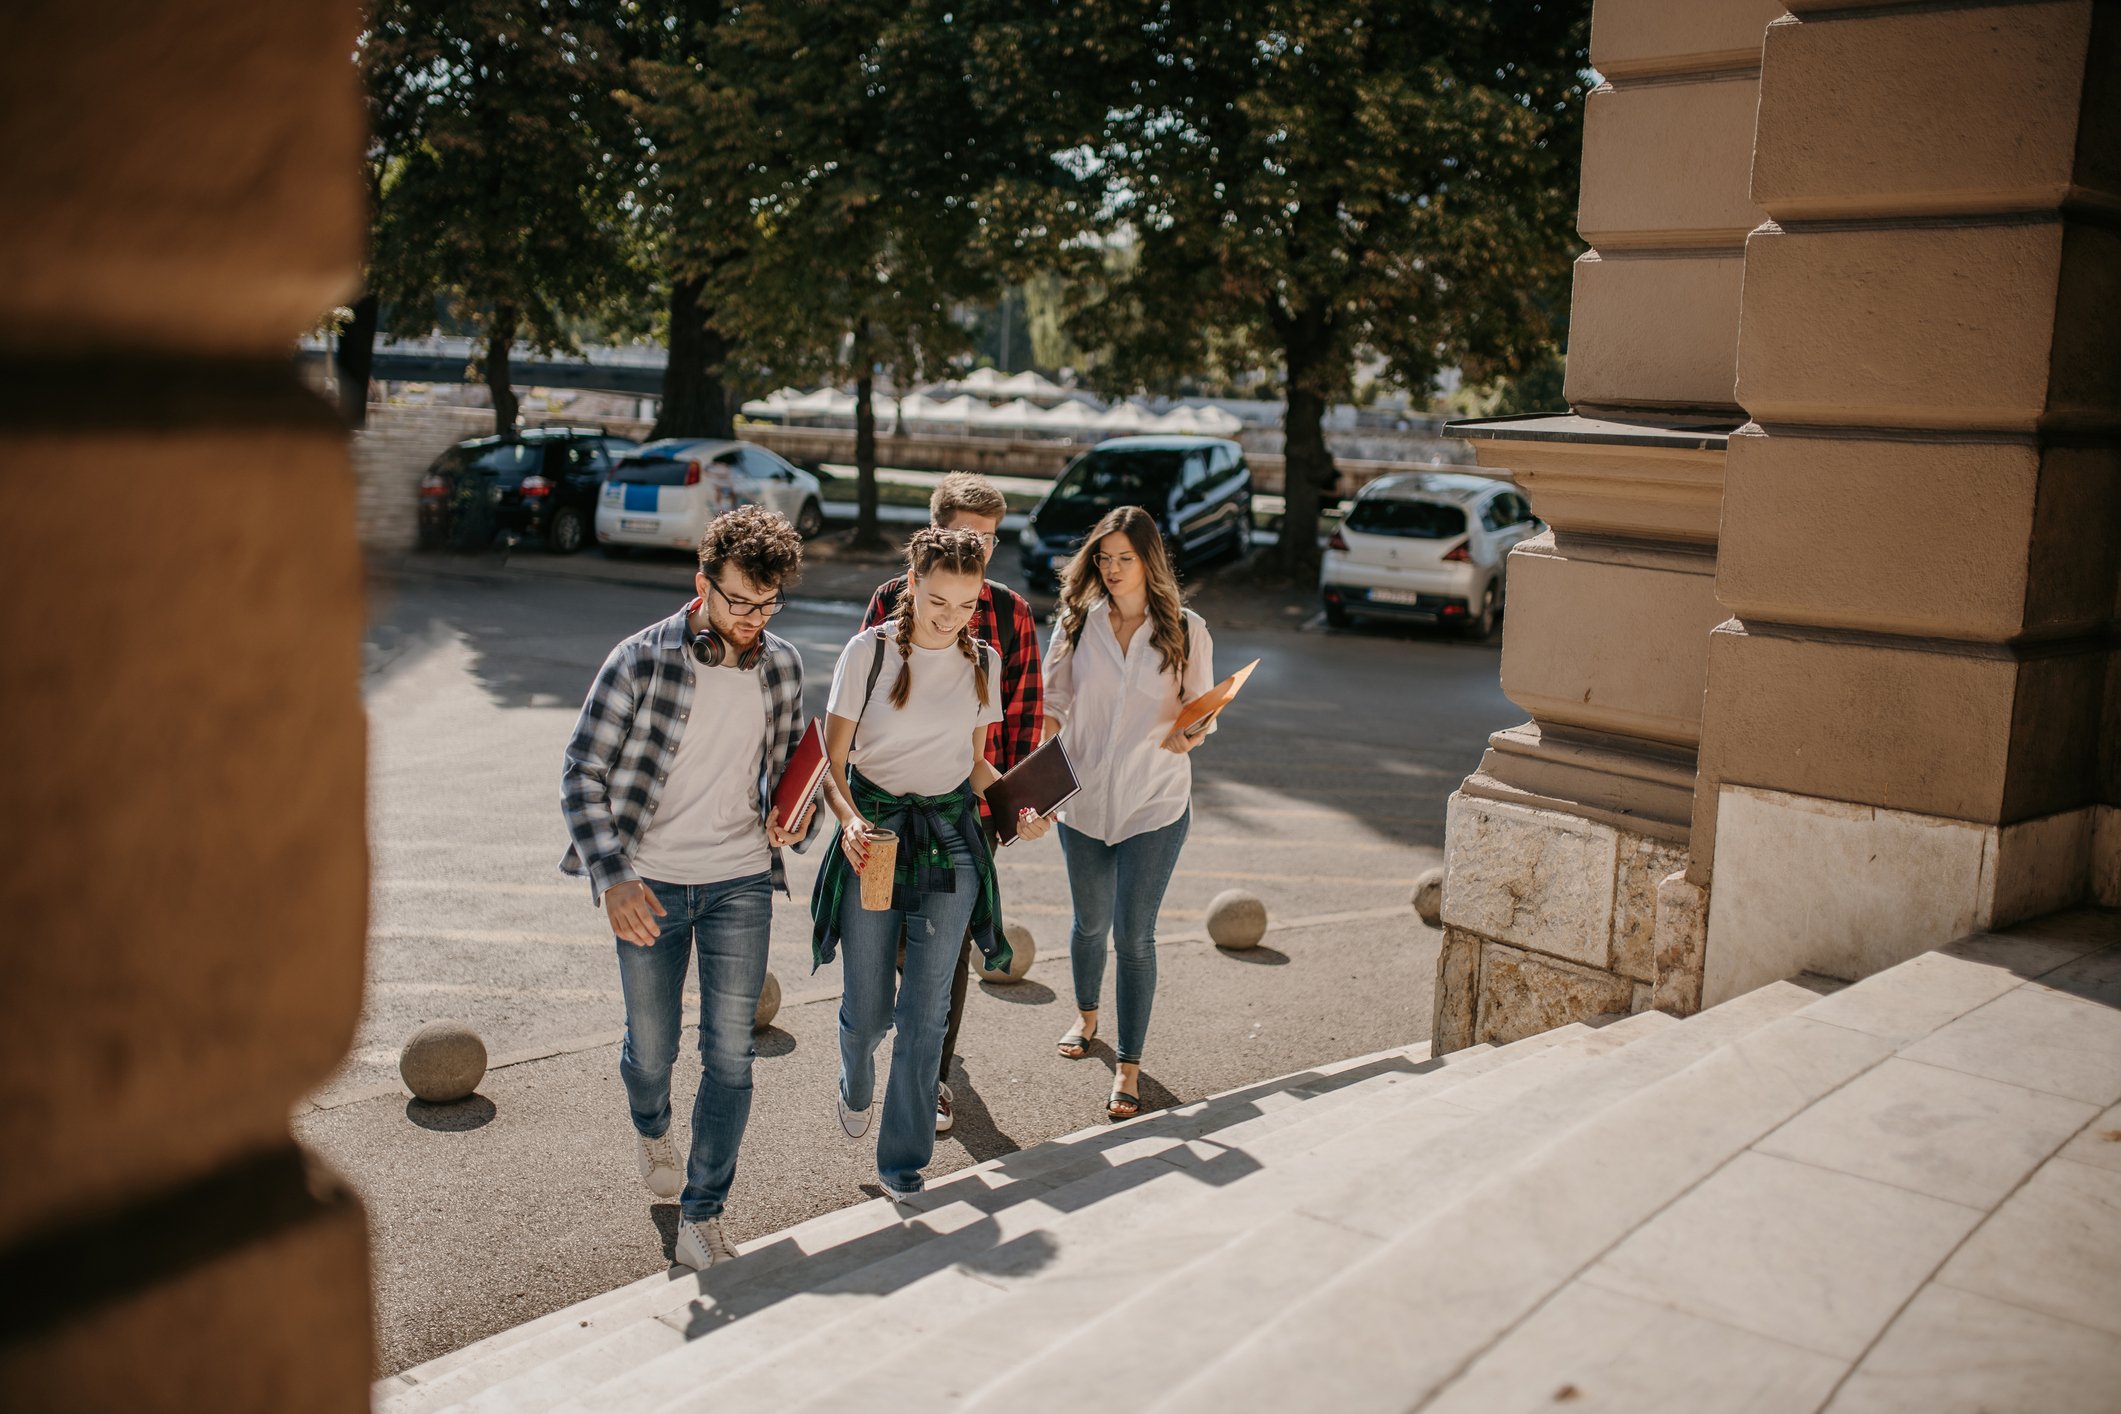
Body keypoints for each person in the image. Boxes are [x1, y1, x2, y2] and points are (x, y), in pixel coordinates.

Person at [559, 506, 814, 1271]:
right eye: (737, 602)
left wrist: (792, 821)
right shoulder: (640, 661)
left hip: (739, 881)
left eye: (767, 606)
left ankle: (704, 1214)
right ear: (702, 584)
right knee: (653, 1050)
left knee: (730, 1056)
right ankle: (651, 1123)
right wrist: (612, 878)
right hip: (649, 885)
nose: (750, 621)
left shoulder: (784, 665)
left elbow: (784, 776)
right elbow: (582, 773)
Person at [816, 526, 1052, 1202]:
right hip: (877, 837)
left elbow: (976, 767)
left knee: (925, 1015)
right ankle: (854, 1071)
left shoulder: (983, 660)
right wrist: (852, 822)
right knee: (867, 1013)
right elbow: (832, 765)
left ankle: (902, 1164)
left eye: (965, 605)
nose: (950, 618)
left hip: (951, 838)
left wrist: (1018, 810)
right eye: (937, 602)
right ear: (911, 586)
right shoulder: (867, 653)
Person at [859, 472, 1044, 1136]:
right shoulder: (888, 600)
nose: (981, 549)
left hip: (968, 809)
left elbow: (1023, 722)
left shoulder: (1012, 613)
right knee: (889, 939)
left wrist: (1011, 813)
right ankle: (886, 1040)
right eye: (968, 535)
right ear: (933, 535)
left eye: (991, 539)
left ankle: (931, 1075)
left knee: (948, 940)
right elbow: (860, 709)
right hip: (886, 808)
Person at [1041, 505, 1215, 1120]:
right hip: (1083, 802)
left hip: (1155, 803)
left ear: (1149, 561)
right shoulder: (1075, 623)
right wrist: (1034, 774)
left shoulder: (1187, 629)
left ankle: (1129, 1065)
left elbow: (1202, 709)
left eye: (1126, 559)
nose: (1113, 570)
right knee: (1089, 924)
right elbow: (1053, 705)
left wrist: (1190, 735)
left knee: (1134, 936)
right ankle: (1086, 1016)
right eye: (1104, 559)